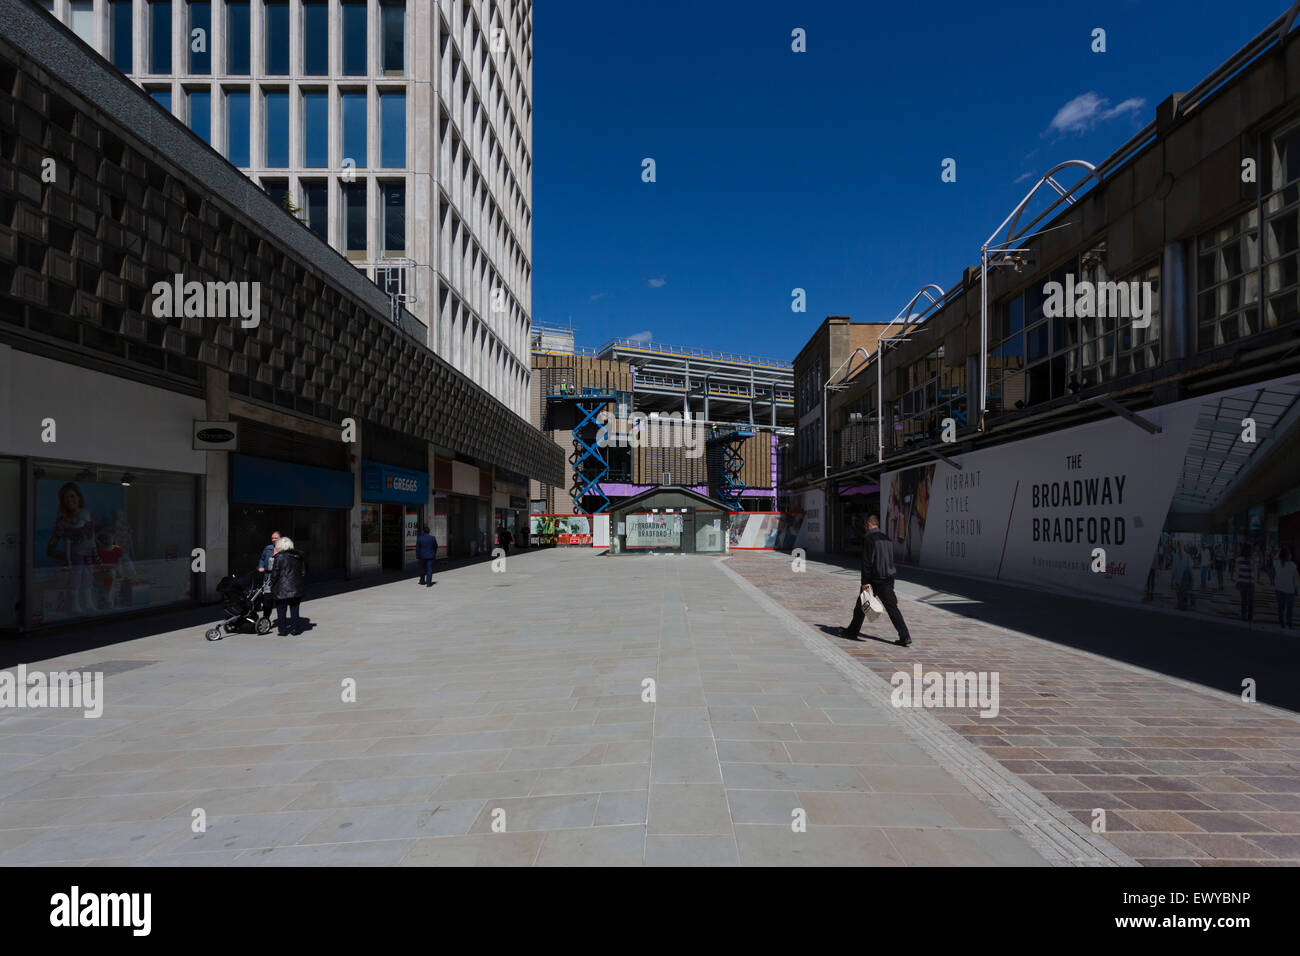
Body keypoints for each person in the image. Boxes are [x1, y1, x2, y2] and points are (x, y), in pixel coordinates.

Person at [842, 514, 912, 646]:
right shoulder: (886, 538)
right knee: (892, 608)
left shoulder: (869, 539)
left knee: (861, 605)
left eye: (865, 526)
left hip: (874, 579)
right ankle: (905, 635)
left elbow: (867, 563)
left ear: (868, 525)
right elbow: (890, 560)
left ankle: (852, 632)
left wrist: (864, 582)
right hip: (888, 578)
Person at [267, 535, 306, 636]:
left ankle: (283, 630)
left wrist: (271, 582)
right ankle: (295, 629)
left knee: (281, 609)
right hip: (295, 587)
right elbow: (303, 572)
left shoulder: (279, 557)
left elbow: (275, 573)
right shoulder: (298, 556)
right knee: (294, 609)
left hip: (281, 587)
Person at [1274, 547, 1298, 629]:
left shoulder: (1276, 563)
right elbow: (1295, 579)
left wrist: (1279, 553)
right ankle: (1289, 622)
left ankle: (1281, 622)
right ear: (1288, 555)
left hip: (1279, 589)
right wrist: (1296, 589)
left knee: (1281, 607)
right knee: (1289, 608)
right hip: (1290, 590)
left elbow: (1275, 557)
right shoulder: (1293, 565)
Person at [1235, 543, 1255, 623]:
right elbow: (1255, 572)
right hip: (1250, 582)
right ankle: (1250, 617)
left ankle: (1243, 616)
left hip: (1242, 582)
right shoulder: (1252, 559)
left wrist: (1237, 581)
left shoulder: (1239, 559)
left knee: (1244, 601)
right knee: (1251, 601)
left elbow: (1237, 572)